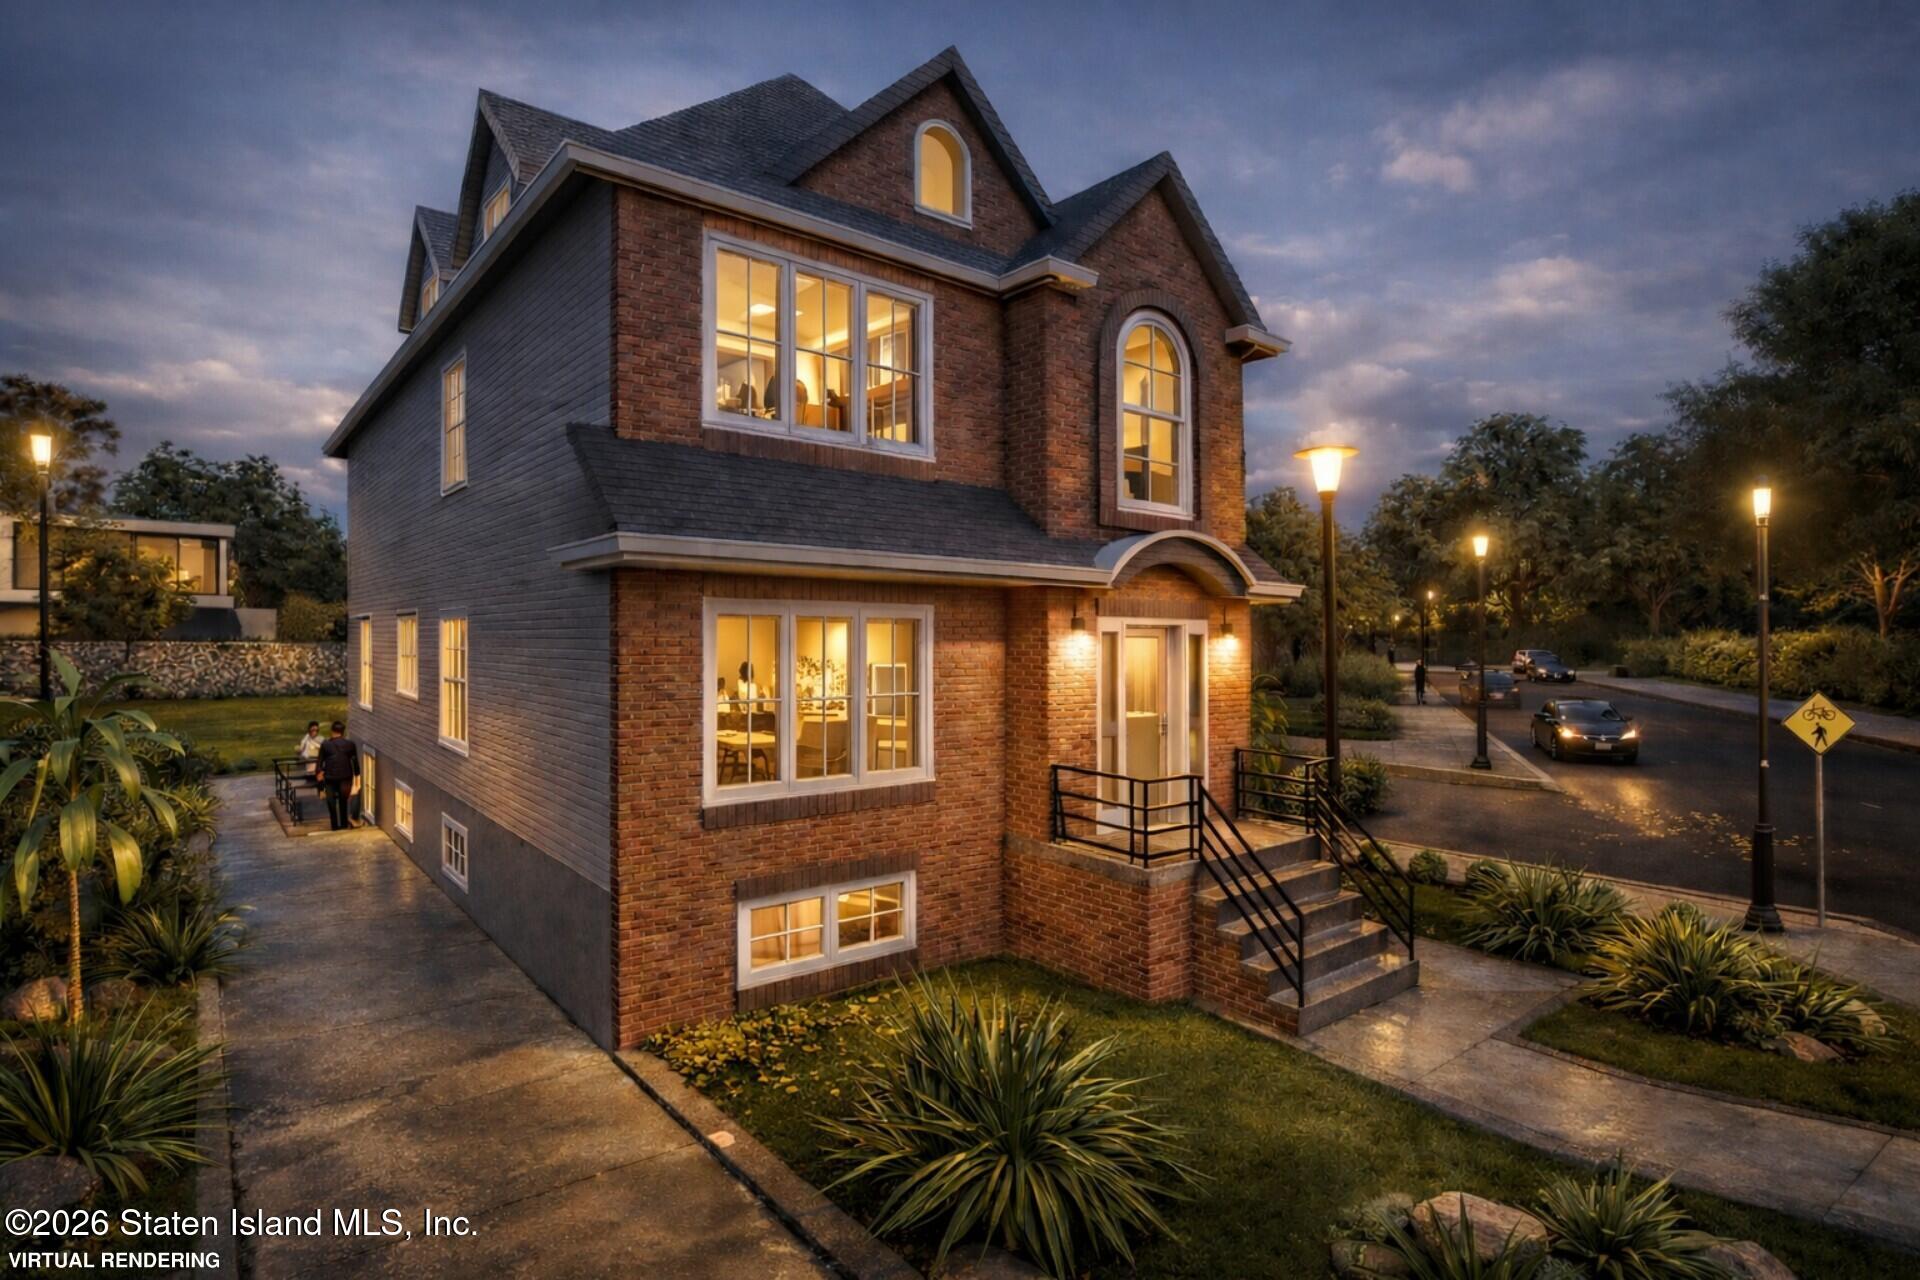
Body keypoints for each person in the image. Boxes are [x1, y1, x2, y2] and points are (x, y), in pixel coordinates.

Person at [315, 721, 361, 832]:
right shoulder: (350, 745)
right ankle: (344, 825)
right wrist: (357, 781)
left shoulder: (325, 745)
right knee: (343, 802)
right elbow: (355, 764)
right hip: (346, 778)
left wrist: (320, 785)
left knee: (331, 803)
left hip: (330, 778)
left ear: (332, 731)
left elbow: (319, 765)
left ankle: (335, 826)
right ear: (343, 732)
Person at [298, 721, 324, 791]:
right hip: (308, 760)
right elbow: (301, 750)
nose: (314, 732)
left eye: (316, 730)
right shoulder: (305, 739)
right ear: (309, 730)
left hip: (318, 761)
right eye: (313, 730)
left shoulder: (321, 739)